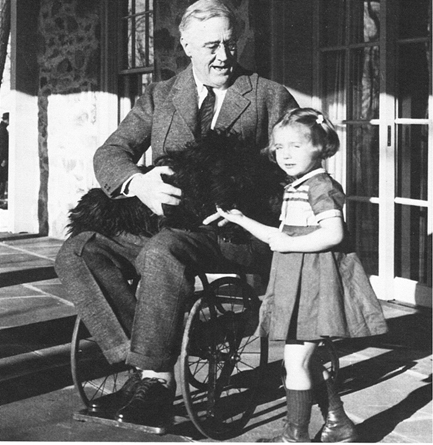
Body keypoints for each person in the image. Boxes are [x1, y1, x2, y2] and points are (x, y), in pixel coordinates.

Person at [55, 0, 298, 429]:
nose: (223, 56)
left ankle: (156, 379)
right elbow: (111, 152)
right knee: (79, 250)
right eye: (210, 46)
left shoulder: (267, 95)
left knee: (162, 251)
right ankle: (144, 364)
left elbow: (296, 173)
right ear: (186, 44)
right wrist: (138, 183)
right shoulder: (161, 95)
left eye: (229, 43)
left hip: (230, 234)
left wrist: (252, 207)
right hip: (164, 223)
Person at [212, 108, 388, 442]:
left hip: (314, 285)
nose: (285, 154)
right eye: (279, 147)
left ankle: (294, 437)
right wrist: (240, 219)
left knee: (295, 363)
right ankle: (338, 425)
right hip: (297, 282)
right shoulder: (299, 184)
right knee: (303, 360)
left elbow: (333, 234)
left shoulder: (320, 187)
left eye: (295, 145)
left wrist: (289, 245)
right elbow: (279, 235)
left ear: (320, 147)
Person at [0, 112, 9, 201]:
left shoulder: (2, 128)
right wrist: (4, 159)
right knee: (2, 178)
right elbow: (3, 146)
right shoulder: (3, 130)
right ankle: (1, 198)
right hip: (2, 158)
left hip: (1, 157)